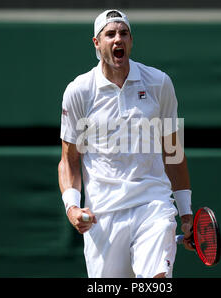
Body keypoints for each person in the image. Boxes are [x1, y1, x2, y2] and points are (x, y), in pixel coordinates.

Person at [58, 9, 194, 278]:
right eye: (110, 34)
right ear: (97, 44)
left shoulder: (159, 83)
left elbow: (173, 152)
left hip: (152, 204)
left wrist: (186, 213)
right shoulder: (80, 92)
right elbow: (69, 160)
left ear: (131, 41)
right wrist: (72, 206)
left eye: (124, 34)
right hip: (103, 214)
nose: (117, 39)